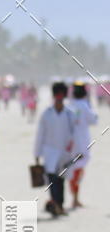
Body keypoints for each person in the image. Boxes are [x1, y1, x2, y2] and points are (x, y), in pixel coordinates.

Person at [34, 81, 76, 217]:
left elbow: (74, 134)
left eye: (61, 96)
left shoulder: (70, 114)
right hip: (49, 152)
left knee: (61, 179)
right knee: (52, 180)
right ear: (54, 97)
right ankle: (56, 205)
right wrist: (37, 153)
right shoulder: (46, 114)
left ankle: (60, 205)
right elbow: (40, 134)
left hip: (65, 153)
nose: (59, 99)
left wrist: (75, 152)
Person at [67, 81, 98, 209]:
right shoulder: (84, 106)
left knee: (73, 169)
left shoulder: (69, 106)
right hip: (82, 142)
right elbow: (93, 120)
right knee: (78, 170)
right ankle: (75, 198)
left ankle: (74, 197)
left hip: (70, 143)